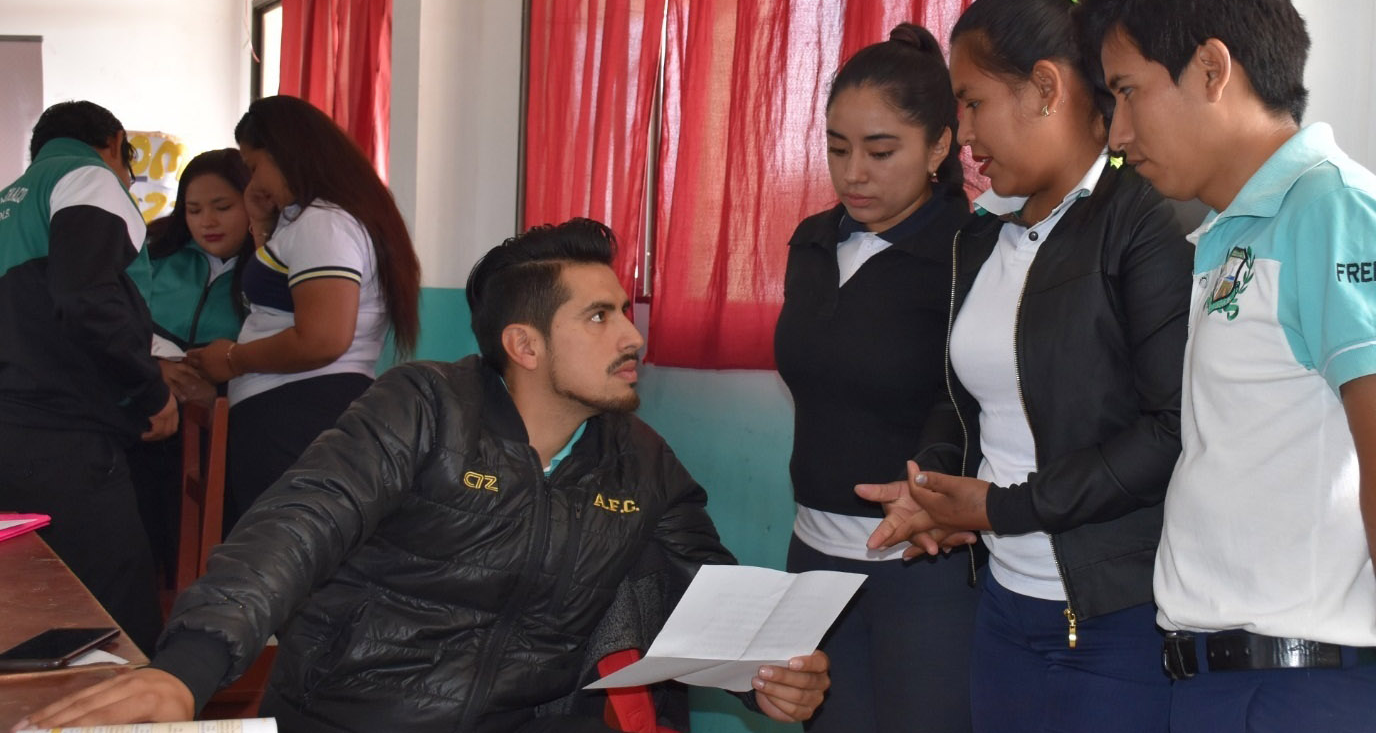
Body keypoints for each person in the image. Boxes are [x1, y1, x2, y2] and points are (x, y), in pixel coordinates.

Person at [16, 219, 831, 733]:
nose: (631, 336)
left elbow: (712, 594)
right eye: (599, 315)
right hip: (361, 716)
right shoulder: (423, 408)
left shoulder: (640, 459)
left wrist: (765, 677)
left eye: (625, 310)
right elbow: (296, 527)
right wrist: (185, 671)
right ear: (524, 345)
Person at [1072, 0, 1376, 733]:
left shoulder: (1332, 211)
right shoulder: (1230, 233)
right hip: (1223, 681)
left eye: (1128, 93)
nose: (1117, 134)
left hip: (1295, 691)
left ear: (1212, 68)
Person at [855, 0, 1193, 733]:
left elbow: (1169, 430)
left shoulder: (1139, 222)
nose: (963, 134)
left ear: (1045, 88)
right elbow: (963, 398)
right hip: (1004, 607)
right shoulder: (983, 234)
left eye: (973, 103)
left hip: (1117, 617)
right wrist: (933, 485)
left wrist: (999, 508)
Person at [775, 23, 975, 733]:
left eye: (881, 151)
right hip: (813, 558)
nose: (853, 173)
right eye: (837, 148)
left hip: (922, 567)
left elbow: (974, 405)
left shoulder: (969, 252)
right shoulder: (811, 242)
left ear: (939, 147)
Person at [184, 95, 421, 523]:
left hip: (298, 415)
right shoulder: (311, 219)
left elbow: (323, 339)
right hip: (294, 410)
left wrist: (233, 360)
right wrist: (262, 224)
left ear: (286, 154)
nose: (254, 183)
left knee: (286, 548)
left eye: (255, 167)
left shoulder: (325, 223)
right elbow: (280, 293)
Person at [0, 100, 177, 653]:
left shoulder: (9, 202)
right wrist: (151, 391)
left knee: (36, 614)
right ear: (115, 143)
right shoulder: (88, 177)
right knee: (115, 616)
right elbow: (86, 299)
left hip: (13, 431)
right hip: (66, 437)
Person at [129, 148, 255, 585]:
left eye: (222, 207)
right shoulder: (154, 258)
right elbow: (113, 333)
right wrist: (152, 369)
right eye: (194, 209)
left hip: (227, 434)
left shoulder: (270, 272)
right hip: (148, 421)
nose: (207, 222)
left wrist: (219, 391)